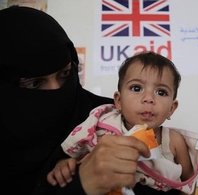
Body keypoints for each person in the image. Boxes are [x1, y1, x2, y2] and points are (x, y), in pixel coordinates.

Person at [0, 6, 151, 195]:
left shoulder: (108, 116)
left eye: (65, 74)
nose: (57, 90)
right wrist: (80, 185)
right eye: (35, 83)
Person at [47, 51, 198, 195]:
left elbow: (188, 183)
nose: (149, 98)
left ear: (171, 108)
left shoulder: (175, 141)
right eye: (136, 88)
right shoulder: (102, 125)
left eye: (161, 92)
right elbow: (79, 155)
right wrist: (65, 166)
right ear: (118, 101)